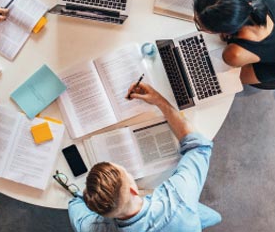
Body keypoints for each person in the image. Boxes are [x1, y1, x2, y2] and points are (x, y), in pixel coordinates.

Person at [68, 82, 221, 231]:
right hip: (185, 220)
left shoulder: (94, 228)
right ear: (134, 190)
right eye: (126, 173)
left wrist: (85, 196)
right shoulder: (178, 196)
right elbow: (199, 146)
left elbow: (75, 207)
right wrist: (159, 100)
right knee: (210, 216)